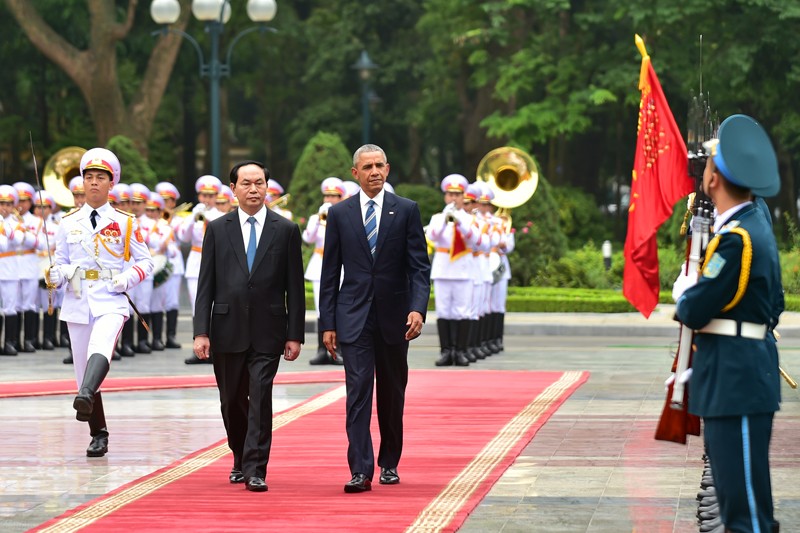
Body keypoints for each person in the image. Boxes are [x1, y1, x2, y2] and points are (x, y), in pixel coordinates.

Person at [674, 114, 782, 533]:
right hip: (732, 374)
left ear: (714, 178)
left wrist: (686, 291)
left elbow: (695, 310)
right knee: (741, 504)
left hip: (736, 380)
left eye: (706, 165)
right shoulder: (749, 226)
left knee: (747, 516)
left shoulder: (738, 239)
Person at [319, 144, 431, 493]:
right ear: (355, 174)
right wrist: (328, 324)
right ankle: (360, 470)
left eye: (379, 165)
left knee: (392, 394)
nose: (374, 172)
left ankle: (389, 463)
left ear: (388, 167)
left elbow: (418, 267)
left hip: (395, 318)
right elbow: (329, 274)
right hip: (353, 318)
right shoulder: (340, 215)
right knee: (357, 394)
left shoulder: (407, 210)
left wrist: (417, 308)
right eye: (367, 167)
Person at [193, 160, 305, 492]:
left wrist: (294, 334)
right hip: (226, 329)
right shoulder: (217, 228)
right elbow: (205, 285)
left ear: (266, 187)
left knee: (260, 396)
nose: (253, 188)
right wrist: (201, 331)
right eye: (246, 183)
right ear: (233, 189)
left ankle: (256, 467)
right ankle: (239, 455)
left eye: (259, 183)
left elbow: (294, 288)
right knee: (231, 401)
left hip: (268, 330)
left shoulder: (285, 230)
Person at [45, 147, 154, 457]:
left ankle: (87, 399)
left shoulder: (125, 221)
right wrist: (57, 275)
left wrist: (127, 279)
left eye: (100, 178)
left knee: (102, 346)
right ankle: (98, 432)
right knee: (83, 373)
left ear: (111, 183)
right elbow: (63, 262)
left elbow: (146, 262)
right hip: (78, 298)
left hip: (111, 296)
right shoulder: (68, 222)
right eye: (88, 177)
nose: (93, 183)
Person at [426, 174, 478, 366]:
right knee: (444, 311)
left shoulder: (469, 219)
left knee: (462, 311)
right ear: (445, 196)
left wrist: (460, 221)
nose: (454, 198)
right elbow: (432, 235)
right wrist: (446, 217)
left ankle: (461, 351)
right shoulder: (437, 218)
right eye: (450, 194)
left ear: (464, 196)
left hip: (463, 269)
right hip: (443, 268)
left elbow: (475, 240)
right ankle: (446, 351)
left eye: (457, 194)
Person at [304, 176, 346, 366]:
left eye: (334, 196)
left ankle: (339, 350)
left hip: (341, 265)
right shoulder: (316, 218)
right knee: (322, 310)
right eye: (327, 196)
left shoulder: (346, 215)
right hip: (320, 263)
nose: (330, 200)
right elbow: (308, 238)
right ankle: (322, 350)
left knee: (340, 308)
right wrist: (318, 221)